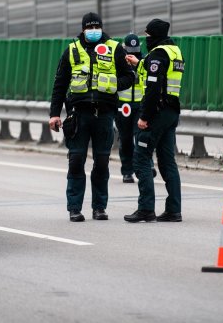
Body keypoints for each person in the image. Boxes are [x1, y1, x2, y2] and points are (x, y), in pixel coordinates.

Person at [49, 12, 135, 222]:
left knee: (102, 162)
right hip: (79, 114)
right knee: (76, 160)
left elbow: (129, 77)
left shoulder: (114, 48)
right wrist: (54, 114)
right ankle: (75, 208)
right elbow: (60, 84)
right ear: (83, 29)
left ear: (101, 28)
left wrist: (112, 84)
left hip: (104, 114)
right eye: (90, 27)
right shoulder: (71, 50)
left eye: (97, 27)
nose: (94, 31)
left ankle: (99, 208)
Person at [124, 18, 184, 223]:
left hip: (156, 112)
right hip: (171, 112)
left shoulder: (158, 53)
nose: (146, 39)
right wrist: (138, 63)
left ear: (155, 36)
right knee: (168, 161)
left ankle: (146, 209)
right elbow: (159, 73)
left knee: (141, 158)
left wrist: (144, 117)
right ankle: (174, 210)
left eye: (148, 36)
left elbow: (153, 88)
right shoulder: (174, 51)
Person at [116, 34, 146, 183]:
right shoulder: (119, 61)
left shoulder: (143, 61)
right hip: (123, 106)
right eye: (130, 50)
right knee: (126, 139)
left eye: (135, 50)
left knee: (141, 137)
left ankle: (145, 168)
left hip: (140, 105)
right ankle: (127, 171)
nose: (132, 53)